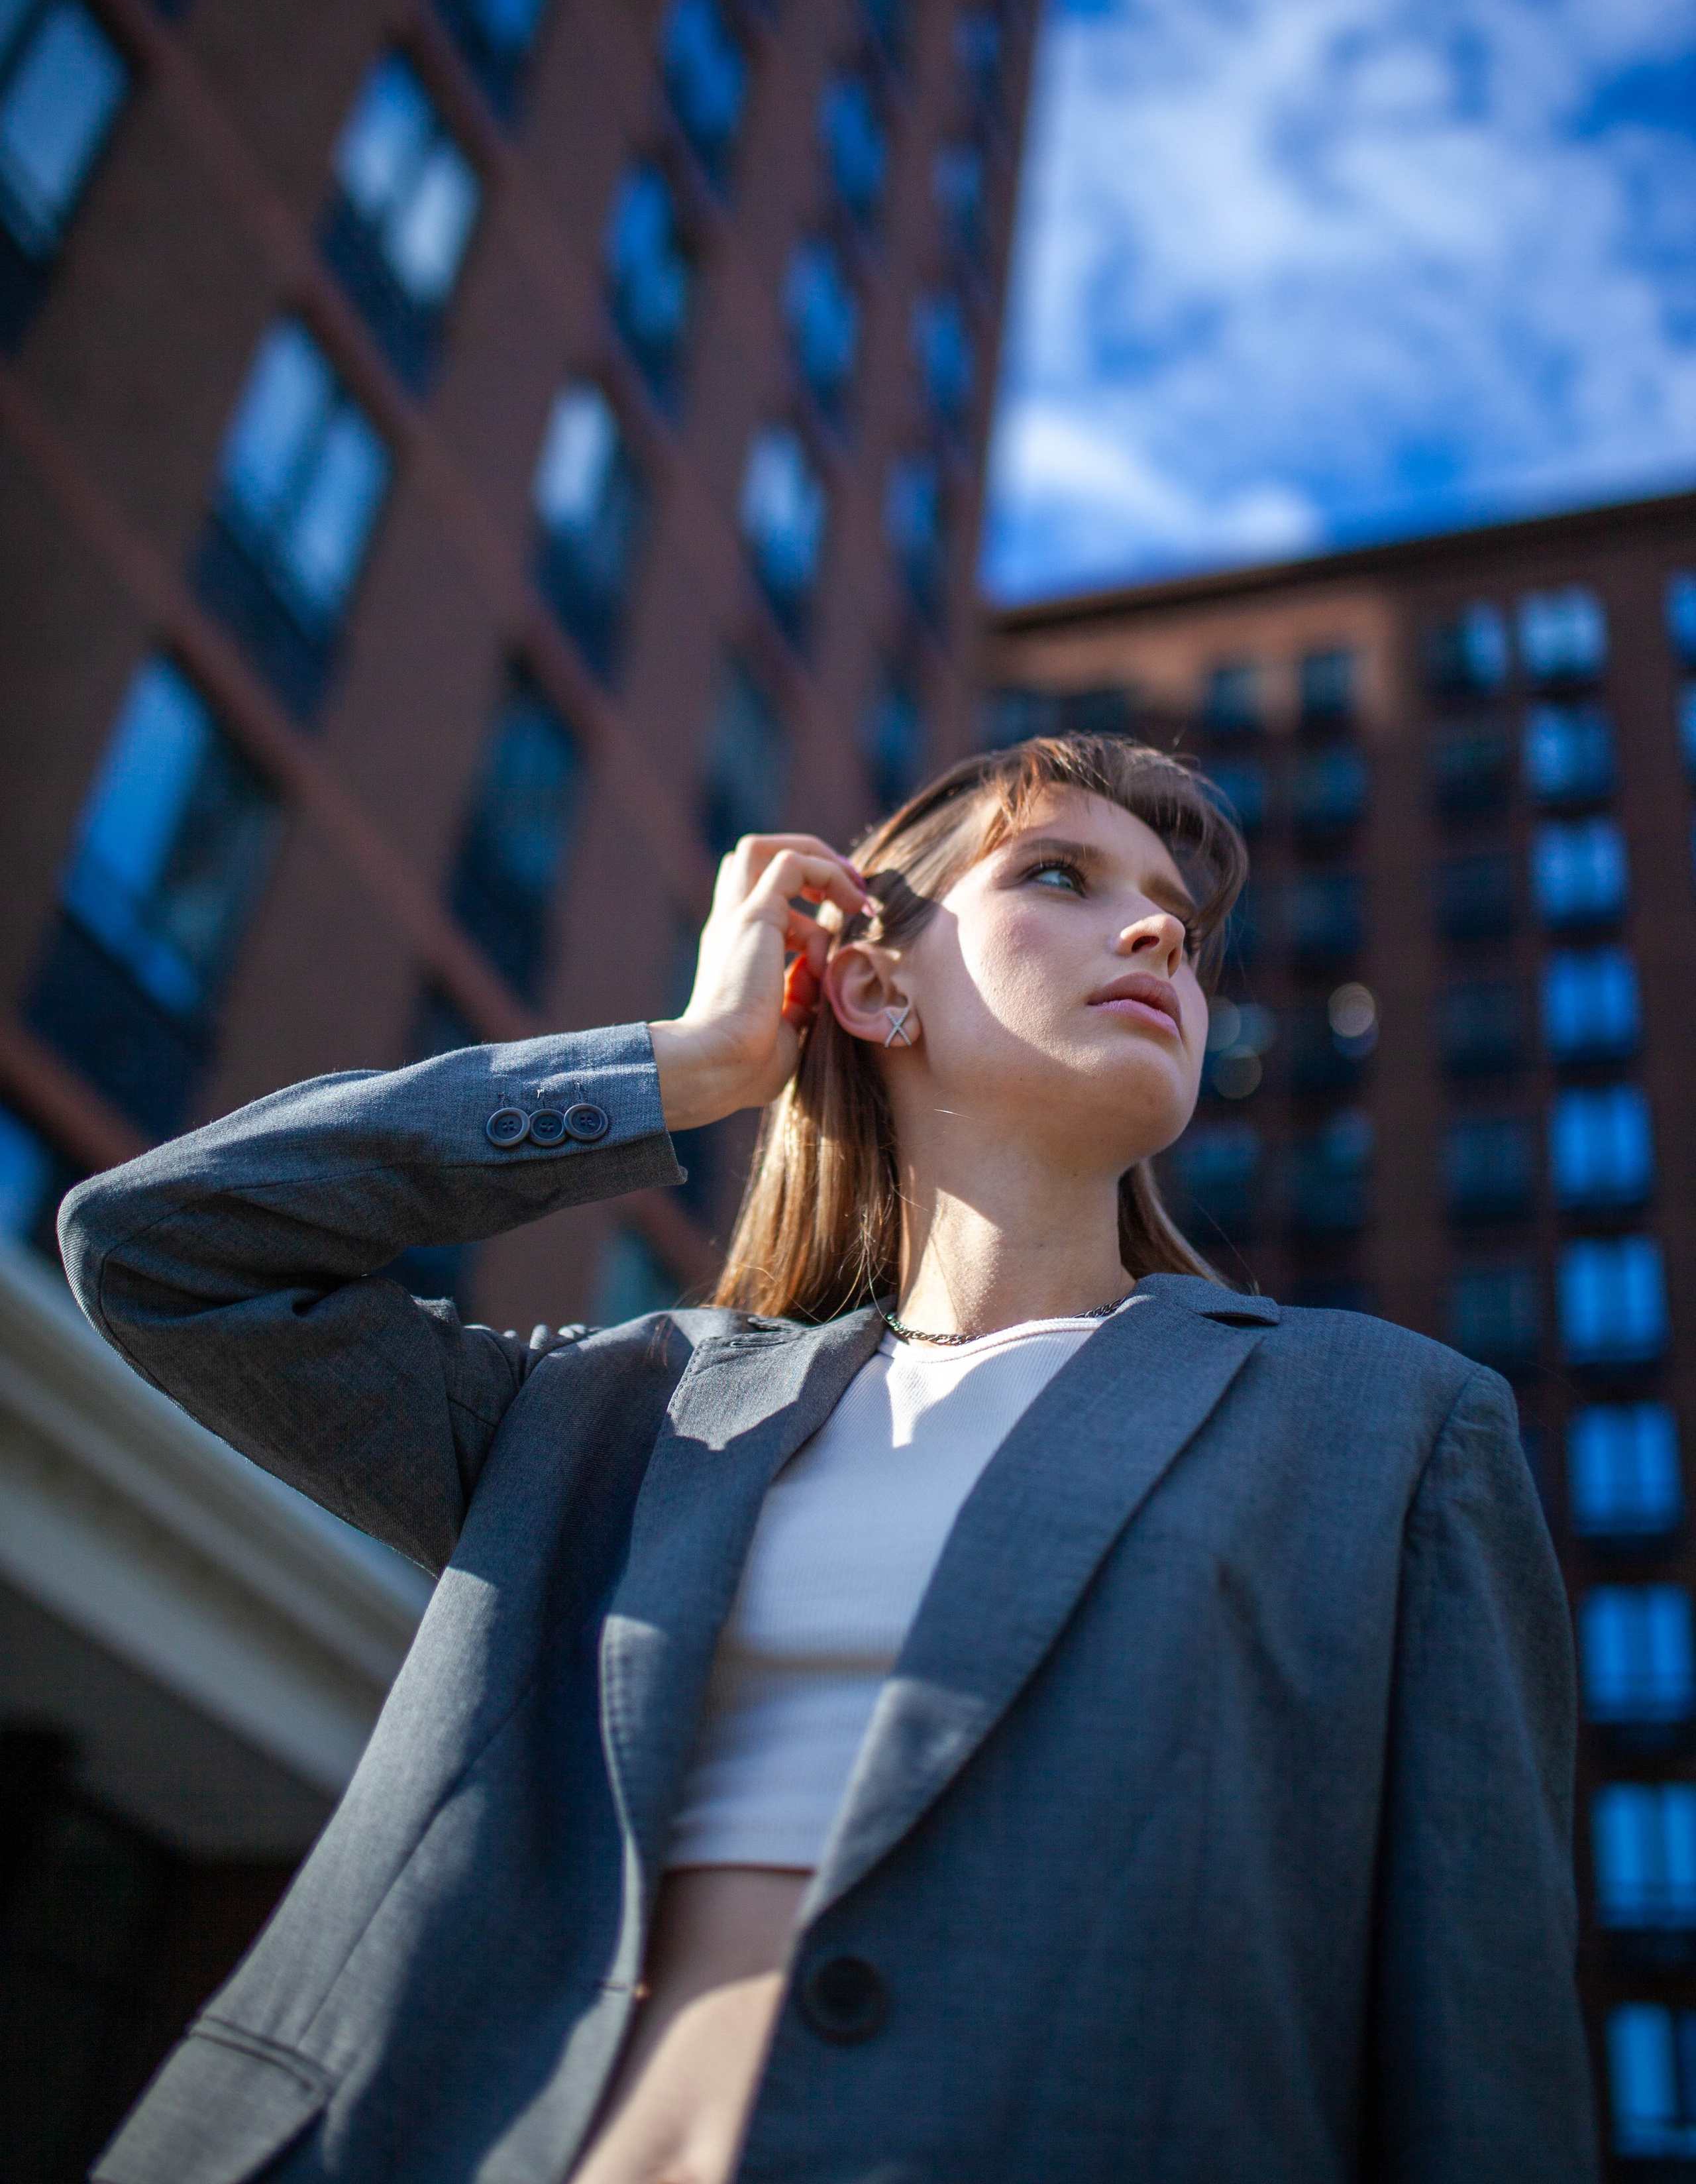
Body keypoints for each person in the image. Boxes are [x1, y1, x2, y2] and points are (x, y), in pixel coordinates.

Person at [64, 733, 1595, 2184]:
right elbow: (163, 1249)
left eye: (1179, 927)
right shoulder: (614, 1410)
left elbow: (1480, 2025)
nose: (1154, 943)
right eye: (1060, 878)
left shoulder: (1381, 1426)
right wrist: (690, 1059)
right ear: (869, 990)